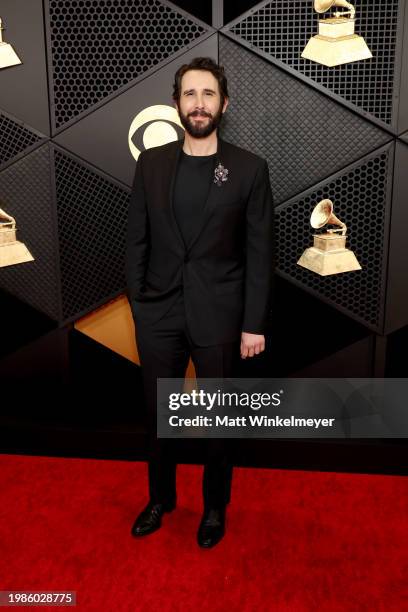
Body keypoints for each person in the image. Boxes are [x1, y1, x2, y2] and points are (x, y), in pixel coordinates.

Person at [125, 57, 275, 548]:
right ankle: (160, 499)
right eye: (190, 94)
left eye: (208, 94)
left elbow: (259, 254)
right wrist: (141, 305)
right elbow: (136, 242)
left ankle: (214, 508)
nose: (199, 104)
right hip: (159, 314)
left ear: (223, 103)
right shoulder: (151, 164)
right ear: (176, 104)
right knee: (157, 414)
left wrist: (253, 324)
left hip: (221, 316)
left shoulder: (249, 169)